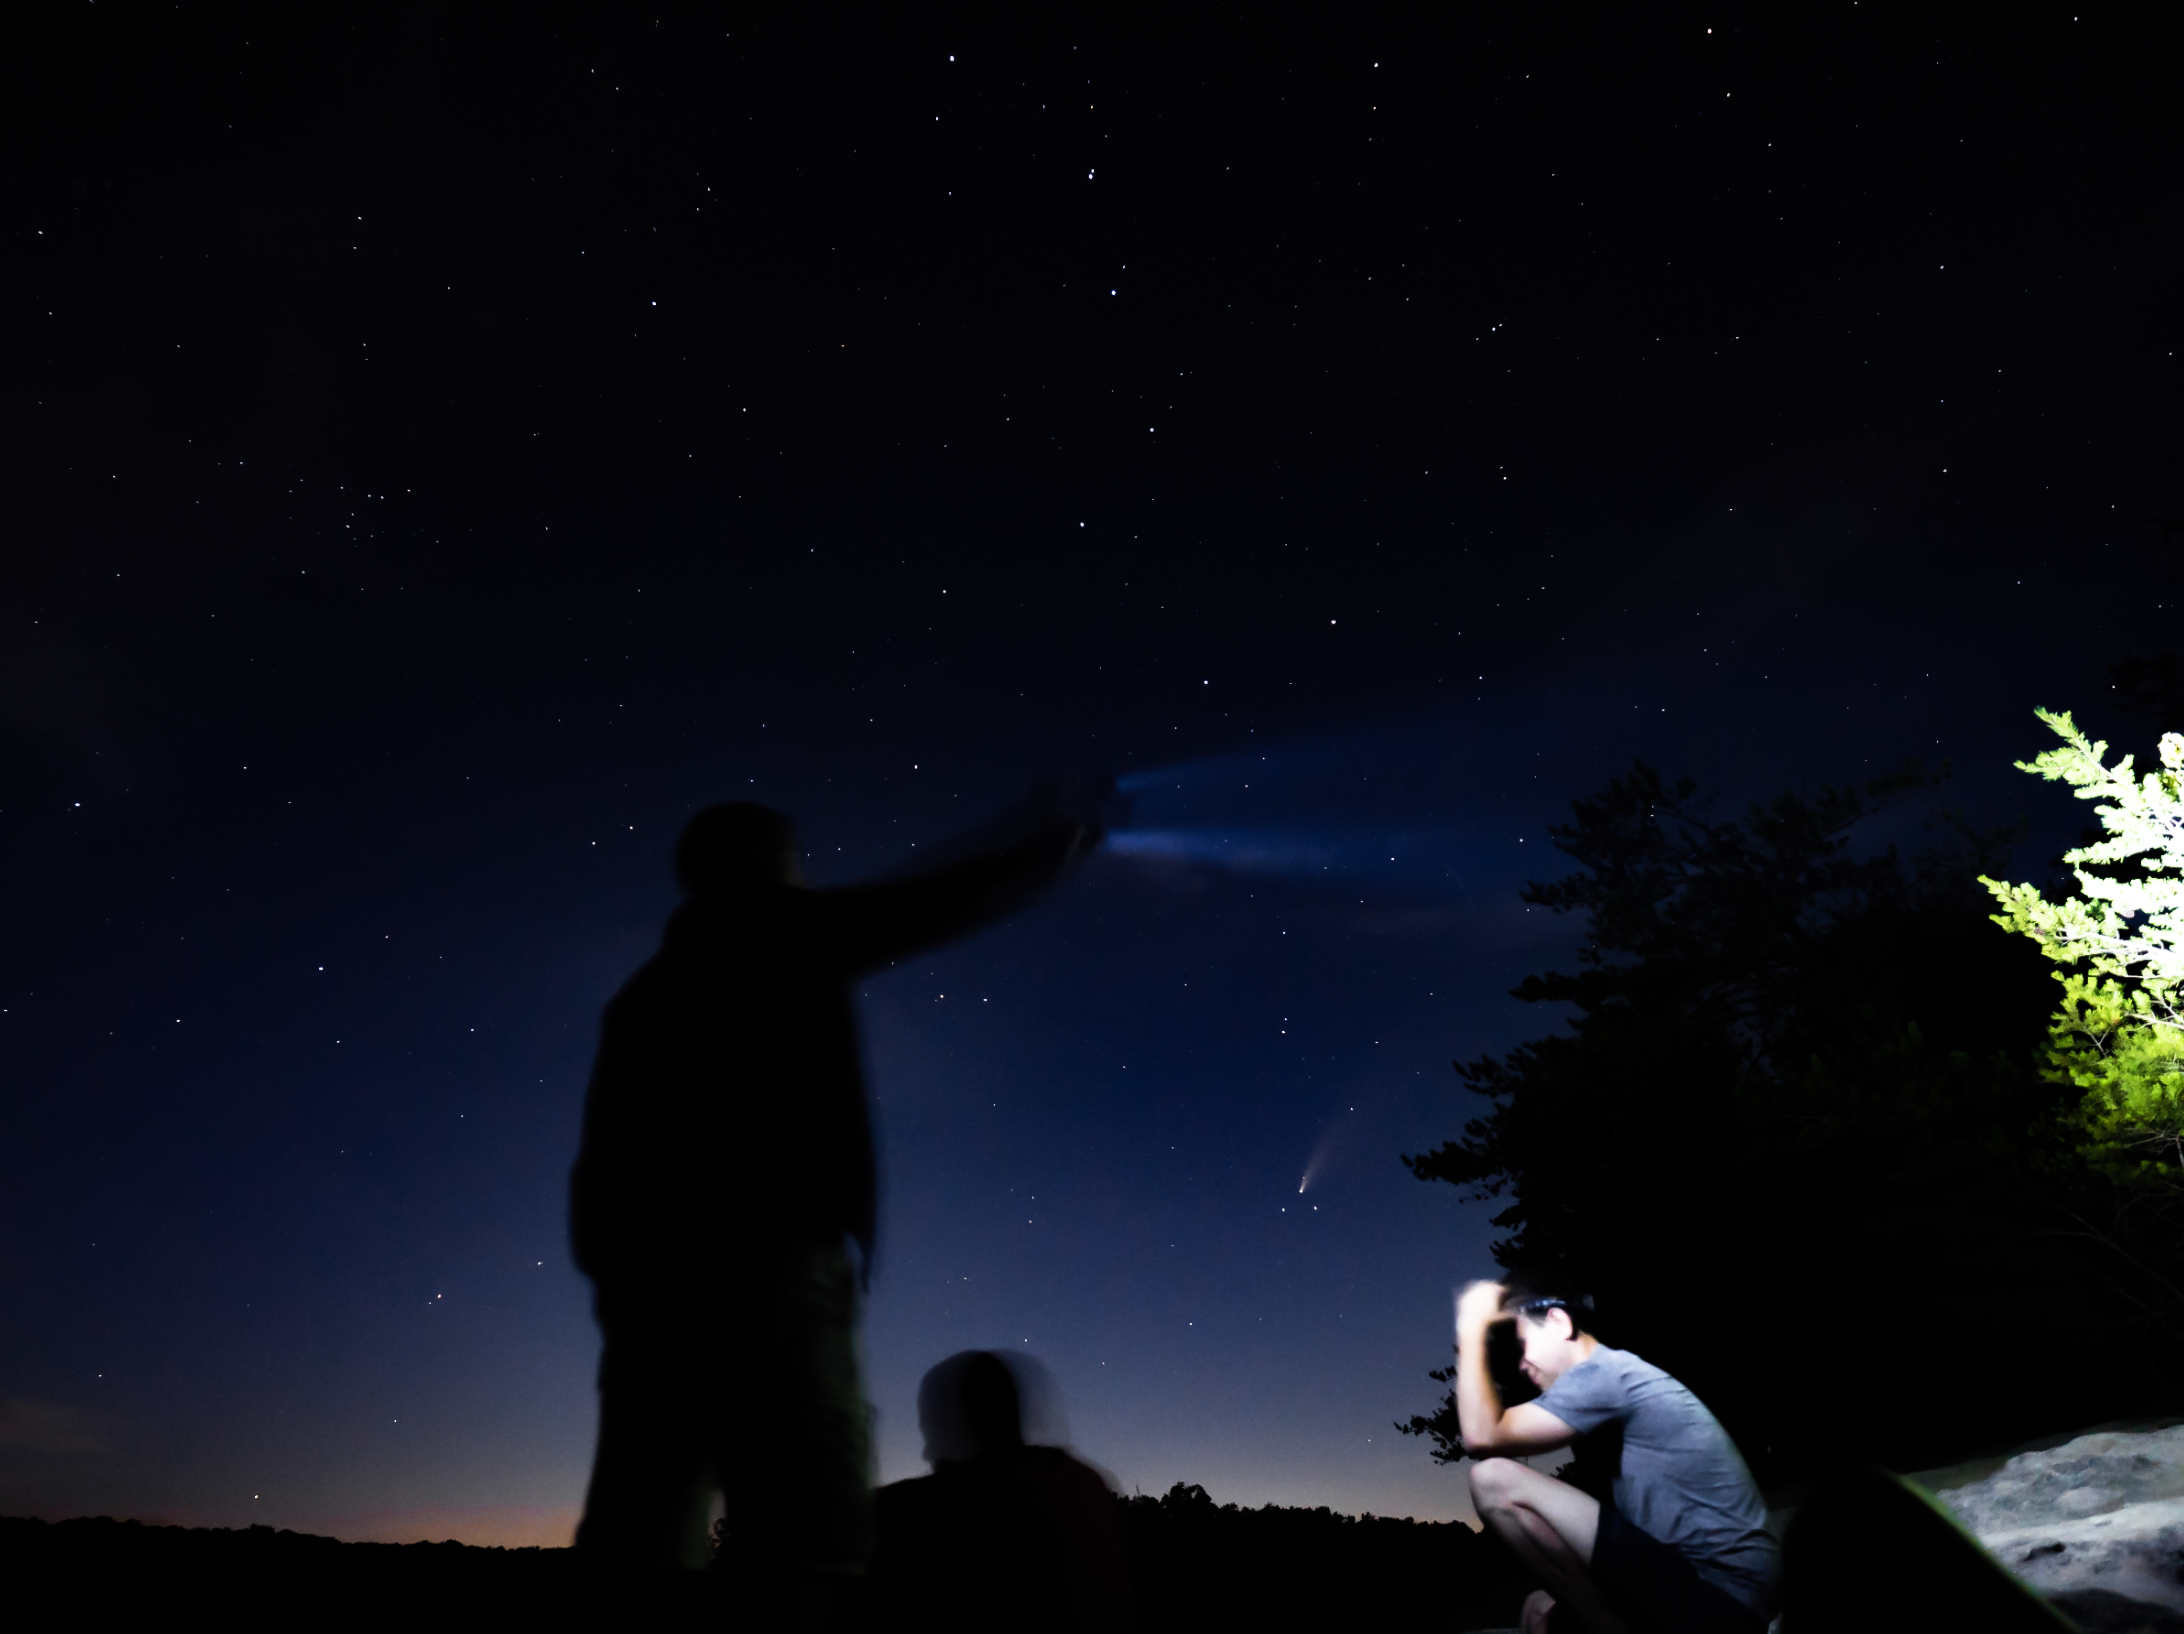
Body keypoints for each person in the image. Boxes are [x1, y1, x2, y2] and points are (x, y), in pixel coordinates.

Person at [567, 793, 1099, 1627]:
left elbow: (596, 1173)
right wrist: (1050, 847)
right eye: (788, 855)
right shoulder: (780, 930)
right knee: (809, 1528)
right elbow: (929, 902)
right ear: (760, 864)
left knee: (644, 1524)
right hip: (775, 1268)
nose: (802, 872)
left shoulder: (640, 1002)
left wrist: (622, 1290)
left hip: (649, 1301)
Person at [1454, 1274, 1779, 1634]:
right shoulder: (1613, 1379)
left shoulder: (1603, 1374)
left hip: (1726, 1600)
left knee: (1492, 1481)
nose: (1521, 1364)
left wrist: (1471, 1329)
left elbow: (1482, 1435)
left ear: (1559, 1323)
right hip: (1701, 1585)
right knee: (1537, 1608)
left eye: (1522, 1343)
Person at [866, 1350, 1131, 1632]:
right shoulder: (1085, 1483)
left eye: (932, 1429)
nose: (927, 1450)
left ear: (961, 1422)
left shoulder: (952, 1503)